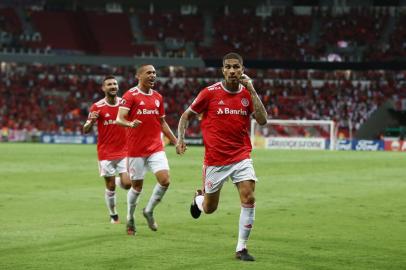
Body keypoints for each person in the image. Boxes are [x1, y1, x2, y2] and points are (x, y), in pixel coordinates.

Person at [176, 52, 268, 261]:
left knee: (249, 196)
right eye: (228, 67)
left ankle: (241, 248)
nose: (233, 71)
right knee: (209, 208)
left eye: (237, 67)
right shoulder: (209, 93)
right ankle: (198, 199)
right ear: (223, 70)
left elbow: (262, 120)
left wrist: (252, 89)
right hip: (215, 161)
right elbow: (186, 115)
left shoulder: (247, 94)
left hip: (241, 156)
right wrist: (181, 139)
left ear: (242, 69)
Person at [116, 64, 177, 236]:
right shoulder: (130, 95)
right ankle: (130, 217)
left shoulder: (158, 97)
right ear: (139, 76)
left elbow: (162, 122)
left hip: (155, 147)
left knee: (165, 180)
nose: (153, 75)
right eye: (149, 73)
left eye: (154, 73)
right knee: (136, 187)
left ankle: (149, 210)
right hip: (135, 150)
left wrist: (175, 141)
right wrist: (129, 123)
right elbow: (119, 119)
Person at [83, 75, 131, 224]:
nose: (113, 86)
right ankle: (113, 215)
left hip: (124, 151)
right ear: (104, 88)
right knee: (110, 187)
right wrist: (91, 121)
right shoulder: (97, 106)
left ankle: (118, 180)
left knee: (128, 183)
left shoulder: (125, 104)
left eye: (115, 84)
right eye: (109, 84)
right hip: (106, 152)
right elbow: (85, 129)